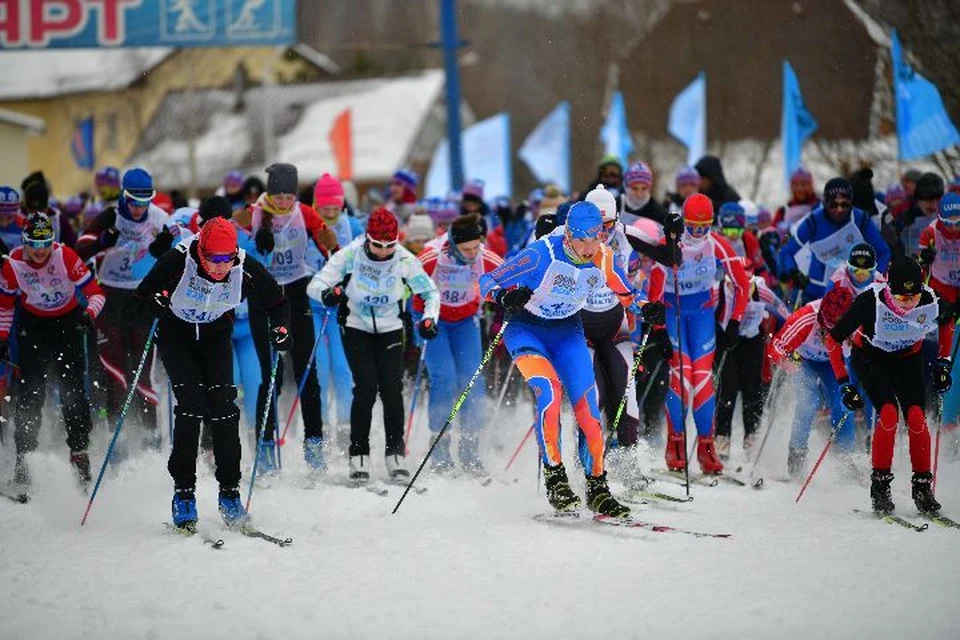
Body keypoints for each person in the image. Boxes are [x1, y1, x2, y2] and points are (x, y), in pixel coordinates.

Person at [478, 201, 652, 517]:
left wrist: (647, 307)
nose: (588, 248)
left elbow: (628, 294)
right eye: (582, 240)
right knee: (550, 393)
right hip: (528, 331)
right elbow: (487, 282)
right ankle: (556, 479)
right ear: (568, 234)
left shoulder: (604, 258)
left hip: (568, 332)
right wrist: (504, 297)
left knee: (589, 409)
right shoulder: (542, 253)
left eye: (595, 238)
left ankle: (598, 487)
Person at [134, 217, 290, 529]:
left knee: (224, 409)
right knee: (191, 405)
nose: (220, 268)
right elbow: (136, 304)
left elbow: (276, 302)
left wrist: (281, 328)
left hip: (216, 335)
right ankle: (184, 493)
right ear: (200, 251)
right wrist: (154, 304)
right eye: (213, 260)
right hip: (176, 336)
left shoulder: (243, 266)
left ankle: (230, 493)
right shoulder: (178, 260)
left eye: (226, 259)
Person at [308, 207, 440, 484]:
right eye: (377, 244)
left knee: (392, 389)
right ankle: (359, 456)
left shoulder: (404, 259)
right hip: (356, 327)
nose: (383, 251)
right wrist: (326, 294)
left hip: (391, 327)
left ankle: (395, 455)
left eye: (389, 244)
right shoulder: (351, 255)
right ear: (368, 238)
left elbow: (430, 293)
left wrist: (429, 319)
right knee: (366, 388)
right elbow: (316, 283)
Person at [827, 257, 947, 515]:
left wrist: (943, 363)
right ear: (889, 288)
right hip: (870, 358)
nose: (908, 304)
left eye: (913, 297)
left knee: (916, 417)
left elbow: (949, 319)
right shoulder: (870, 301)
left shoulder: (930, 298)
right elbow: (833, 338)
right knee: (889, 414)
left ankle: (923, 487)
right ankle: (880, 488)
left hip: (907, 360)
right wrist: (843, 383)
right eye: (901, 298)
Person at [647, 193, 750, 474]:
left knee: (703, 379)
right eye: (692, 227)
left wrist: (734, 322)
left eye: (704, 227)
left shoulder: (717, 245)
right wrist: (658, 330)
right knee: (682, 377)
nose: (698, 233)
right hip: (674, 313)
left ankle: (706, 447)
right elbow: (653, 289)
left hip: (703, 315)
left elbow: (742, 284)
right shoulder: (671, 246)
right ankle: (675, 444)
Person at [0, 213, 105, 491]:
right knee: (31, 394)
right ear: (24, 241)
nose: (40, 250)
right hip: (32, 327)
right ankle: (25, 463)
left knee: (73, 393)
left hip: (67, 324)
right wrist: (1, 337)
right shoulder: (13, 264)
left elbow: (96, 293)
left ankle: (79, 455)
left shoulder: (65, 256)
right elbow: (6, 306)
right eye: (34, 243)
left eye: (45, 242)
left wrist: (89, 314)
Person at [245, 162, 338, 473]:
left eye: (289, 196)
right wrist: (255, 245)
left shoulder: (305, 212)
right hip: (265, 299)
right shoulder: (253, 213)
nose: (284, 202)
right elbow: (227, 241)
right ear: (269, 193)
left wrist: (334, 259)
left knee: (306, 373)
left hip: (297, 294)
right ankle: (266, 446)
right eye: (278, 196)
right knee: (269, 375)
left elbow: (331, 245)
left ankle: (314, 447)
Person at [77, 167, 172, 448]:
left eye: (145, 201)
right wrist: (102, 242)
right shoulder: (110, 217)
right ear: (123, 196)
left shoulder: (159, 218)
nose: (139, 208)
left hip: (142, 298)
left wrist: (164, 249)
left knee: (143, 371)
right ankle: (116, 441)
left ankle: (150, 438)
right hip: (111, 298)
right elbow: (77, 252)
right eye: (133, 201)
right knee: (115, 372)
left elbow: (180, 253)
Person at [415, 213, 502, 473]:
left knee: (472, 381)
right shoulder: (431, 256)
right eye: (466, 249)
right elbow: (411, 287)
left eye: (476, 247)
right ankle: (440, 449)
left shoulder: (486, 258)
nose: (473, 254)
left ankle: (470, 448)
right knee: (445, 379)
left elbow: (511, 276)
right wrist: (422, 320)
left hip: (466, 321)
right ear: (453, 244)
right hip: (434, 321)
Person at [768, 287, 857, 478]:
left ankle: (845, 457)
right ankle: (797, 455)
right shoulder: (806, 318)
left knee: (843, 400)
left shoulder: (856, 323)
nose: (828, 333)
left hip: (833, 364)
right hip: (803, 360)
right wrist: (785, 360)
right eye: (826, 327)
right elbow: (776, 345)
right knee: (809, 400)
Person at [778, 177, 890, 304]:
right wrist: (793, 272)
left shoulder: (860, 219)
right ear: (825, 203)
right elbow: (786, 251)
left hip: (852, 294)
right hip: (816, 294)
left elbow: (883, 252)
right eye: (833, 205)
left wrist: (875, 280)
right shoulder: (813, 221)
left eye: (845, 204)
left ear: (851, 203)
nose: (839, 209)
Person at [714, 272, 789, 460]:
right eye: (734, 287)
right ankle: (722, 438)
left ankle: (752, 438)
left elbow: (784, 313)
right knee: (727, 389)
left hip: (752, 342)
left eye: (745, 288)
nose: (741, 292)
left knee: (752, 389)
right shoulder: (719, 290)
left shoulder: (761, 290)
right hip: (728, 342)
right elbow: (704, 312)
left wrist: (786, 339)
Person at [889, 172, 944, 258]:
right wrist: (897, 228)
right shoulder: (902, 213)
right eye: (929, 201)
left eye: (938, 201)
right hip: (911, 265)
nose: (934, 206)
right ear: (918, 199)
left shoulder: (946, 213)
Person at [773, 168, 819, 236]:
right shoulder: (783, 211)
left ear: (811, 186)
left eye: (803, 185)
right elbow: (772, 234)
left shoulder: (819, 207)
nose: (799, 189)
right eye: (796, 185)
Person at [620, 162, 668, 226]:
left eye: (644, 188)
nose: (639, 194)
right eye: (635, 188)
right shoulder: (617, 204)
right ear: (627, 188)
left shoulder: (659, 212)